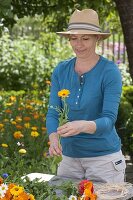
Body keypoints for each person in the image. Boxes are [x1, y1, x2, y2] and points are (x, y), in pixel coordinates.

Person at [46, 8, 126, 183]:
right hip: (68, 159)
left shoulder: (109, 71)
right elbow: (53, 111)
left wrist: (83, 126)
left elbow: (108, 119)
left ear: (97, 38)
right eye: (73, 38)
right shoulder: (61, 70)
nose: (78, 44)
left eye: (85, 38)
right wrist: (53, 139)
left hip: (104, 161)